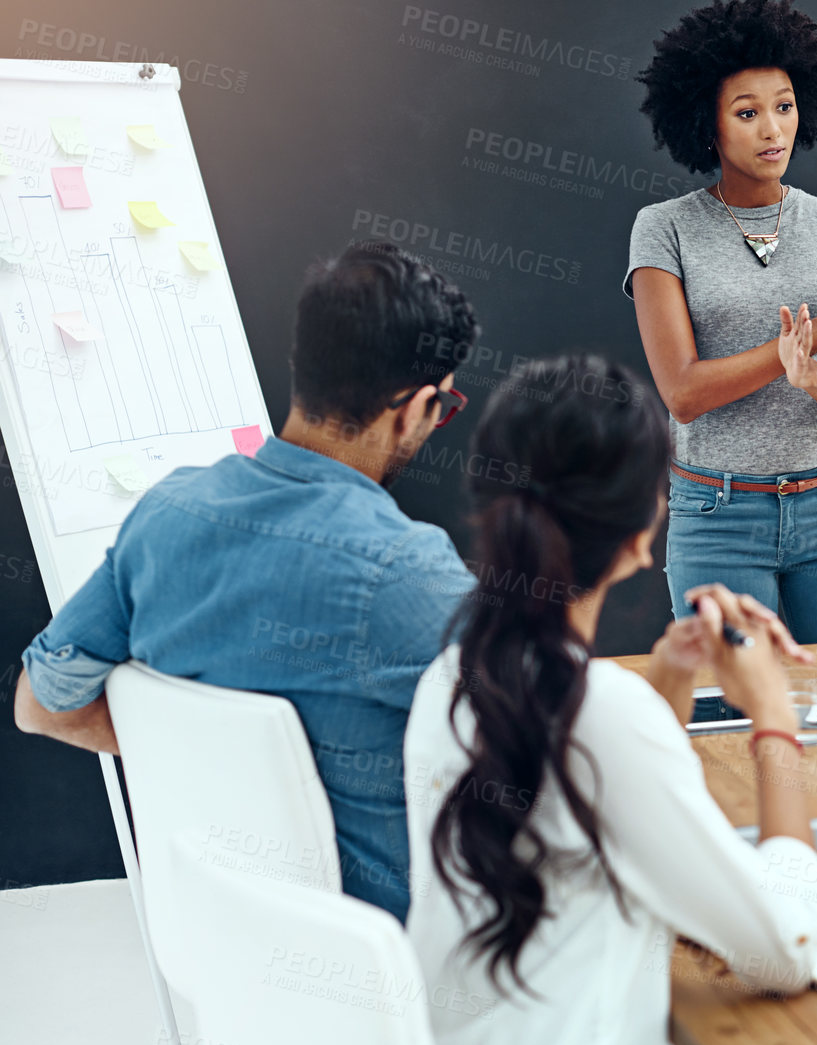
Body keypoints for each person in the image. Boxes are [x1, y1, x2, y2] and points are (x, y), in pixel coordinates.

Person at [403, 353, 817, 1045]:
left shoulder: (449, 679)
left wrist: (670, 675)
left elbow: (600, 810)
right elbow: (784, 948)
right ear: (643, 533)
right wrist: (773, 718)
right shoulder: (602, 712)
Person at [14, 242, 479, 923]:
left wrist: (228, 766)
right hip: (407, 974)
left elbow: (40, 704)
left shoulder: (164, 515)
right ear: (413, 408)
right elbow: (544, 772)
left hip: (226, 948)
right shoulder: (412, 571)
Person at [627, 0, 817, 643]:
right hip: (717, 513)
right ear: (709, 124)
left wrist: (815, 377)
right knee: (735, 717)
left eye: (783, 106)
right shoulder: (664, 229)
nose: (772, 130)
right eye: (747, 112)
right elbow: (684, 393)